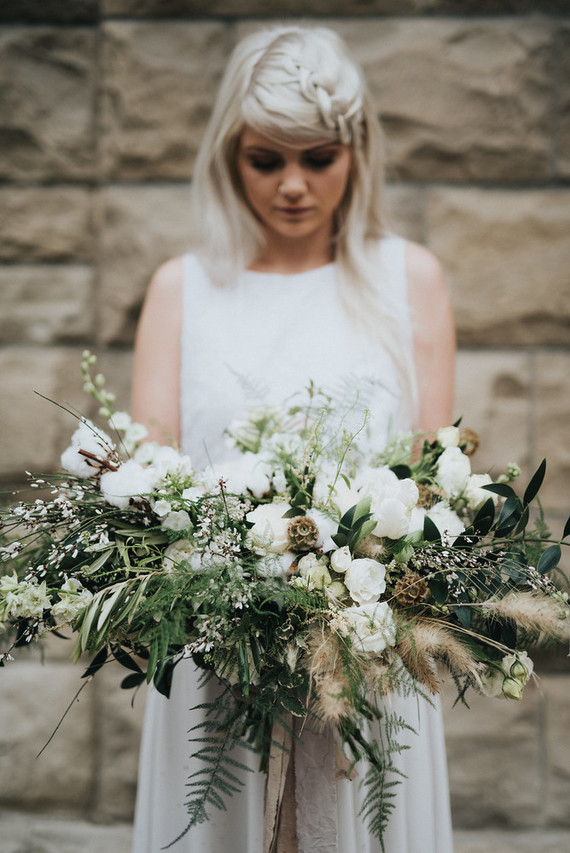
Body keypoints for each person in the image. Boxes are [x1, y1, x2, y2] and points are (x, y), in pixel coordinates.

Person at [130, 25, 455, 853]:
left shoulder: (408, 279)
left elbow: (435, 477)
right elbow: (143, 478)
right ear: (227, 157)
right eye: (265, 160)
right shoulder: (183, 289)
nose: (294, 187)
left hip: (367, 668)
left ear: (358, 150)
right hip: (215, 663)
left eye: (319, 157)